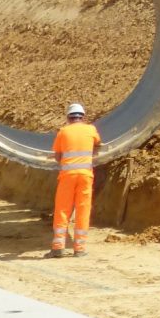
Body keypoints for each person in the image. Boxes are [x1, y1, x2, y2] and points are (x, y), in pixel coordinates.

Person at [50, 102, 100, 258]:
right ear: (83, 117)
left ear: (68, 118)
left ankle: (58, 247)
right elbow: (97, 142)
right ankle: (79, 248)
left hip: (67, 176)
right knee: (83, 210)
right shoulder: (91, 129)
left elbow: (58, 156)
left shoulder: (63, 132)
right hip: (85, 176)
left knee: (62, 210)